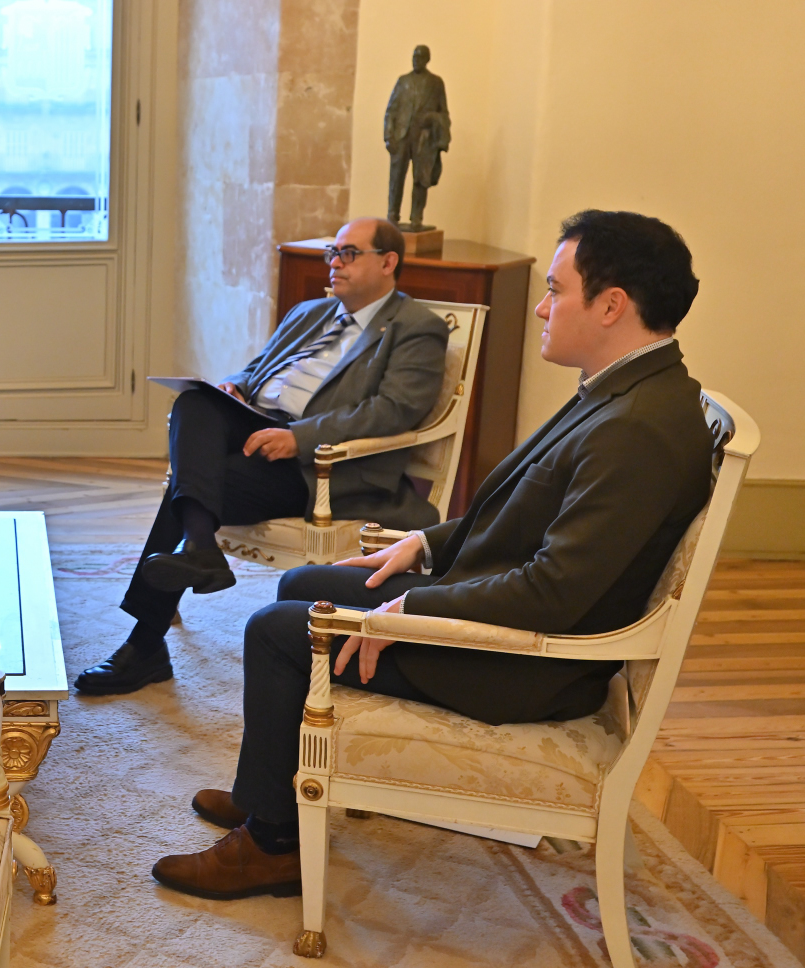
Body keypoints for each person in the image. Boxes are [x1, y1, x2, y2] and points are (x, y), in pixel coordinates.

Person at [150, 209, 714, 900]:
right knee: (302, 582)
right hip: (501, 608)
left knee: (276, 631)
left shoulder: (638, 429)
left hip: (523, 662)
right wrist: (423, 543)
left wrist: (412, 607)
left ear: (611, 305)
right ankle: (272, 792)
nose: (542, 307)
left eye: (555, 290)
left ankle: (270, 848)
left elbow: (555, 591)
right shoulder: (624, 390)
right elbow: (518, 516)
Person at [75, 217, 451, 695]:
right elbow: (255, 371)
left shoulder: (417, 327)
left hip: (319, 465)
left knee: (190, 486)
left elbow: (394, 409)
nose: (335, 263)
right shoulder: (309, 312)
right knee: (196, 401)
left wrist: (299, 437)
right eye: (332, 253)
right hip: (260, 429)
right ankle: (200, 549)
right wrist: (234, 387)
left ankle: (148, 638)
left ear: (388, 261)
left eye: (348, 253)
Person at [385, 44, 451, 229]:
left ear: (427, 60)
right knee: (396, 176)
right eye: (414, 57)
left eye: (420, 57)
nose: (416, 60)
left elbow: (444, 113)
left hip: (423, 136)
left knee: (421, 178)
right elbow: (391, 111)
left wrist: (433, 118)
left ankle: (416, 217)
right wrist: (388, 136)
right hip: (401, 135)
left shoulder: (436, 83)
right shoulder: (403, 81)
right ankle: (392, 215)